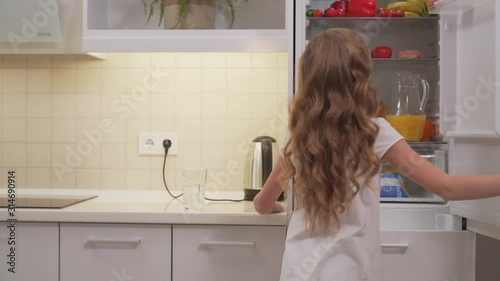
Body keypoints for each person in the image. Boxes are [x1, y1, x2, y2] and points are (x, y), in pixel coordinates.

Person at [253, 28, 500, 281]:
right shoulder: (375, 132)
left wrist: (275, 205)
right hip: (351, 271)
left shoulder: (297, 136)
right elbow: (446, 187)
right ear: (361, 77)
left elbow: (261, 204)